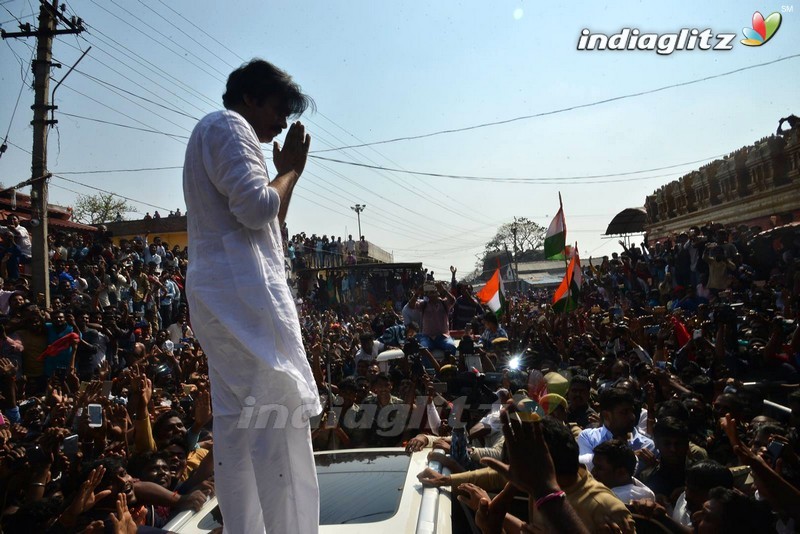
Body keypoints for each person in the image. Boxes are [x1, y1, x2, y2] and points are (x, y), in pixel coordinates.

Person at [182, 58, 321, 534]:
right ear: (251, 97)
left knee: (239, 427)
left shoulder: (216, 130)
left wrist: (282, 177)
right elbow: (257, 206)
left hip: (225, 297)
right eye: (279, 110)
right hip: (240, 299)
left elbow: (269, 223)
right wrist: (292, 171)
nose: (281, 123)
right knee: (277, 420)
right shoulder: (230, 125)